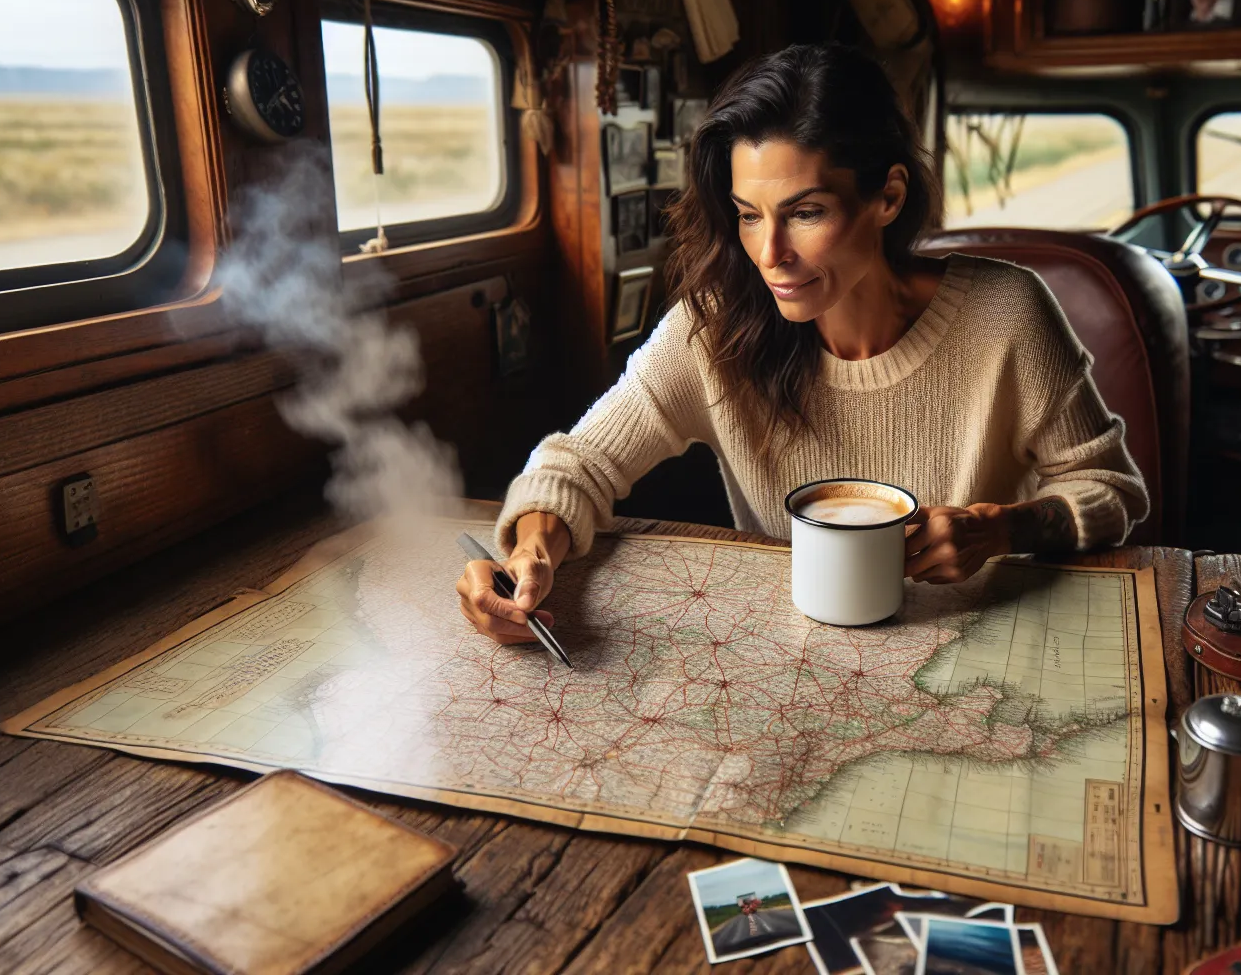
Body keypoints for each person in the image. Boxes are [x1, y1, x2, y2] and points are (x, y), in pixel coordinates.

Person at [457, 44, 1148, 644]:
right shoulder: (713, 327)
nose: (770, 253)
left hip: (982, 638)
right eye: (749, 216)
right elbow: (579, 464)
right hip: (798, 647)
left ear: (888, 197)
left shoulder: (1008, 313)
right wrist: (534, 550)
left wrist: (1001, 529)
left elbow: (1111, 491)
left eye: (806, 213)